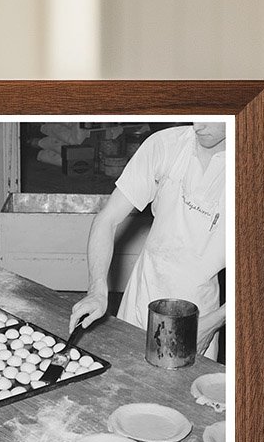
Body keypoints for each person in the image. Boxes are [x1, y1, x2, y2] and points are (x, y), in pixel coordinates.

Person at [69, 122, 227, 358]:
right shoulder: (165, 145)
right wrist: (97, 289)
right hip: (140, 298)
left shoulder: (259, 169)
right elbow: (108, 219)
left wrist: (214, 322)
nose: (198, 125)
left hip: (200, 318)